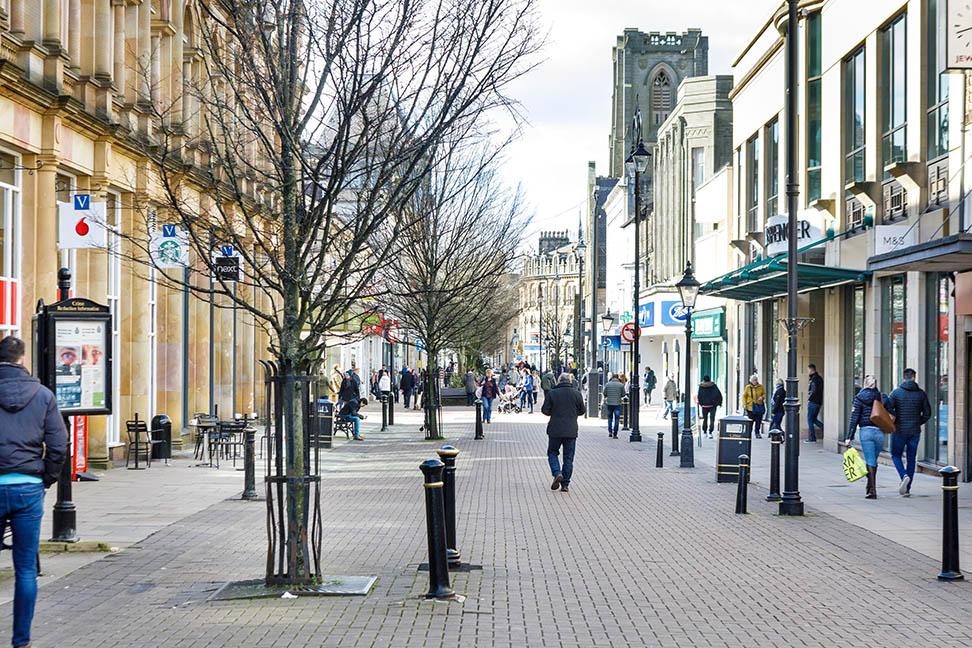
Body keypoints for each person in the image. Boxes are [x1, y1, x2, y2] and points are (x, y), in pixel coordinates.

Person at [0, 336, 68, 648]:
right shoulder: (43, 395)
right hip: (27, 485)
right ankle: (21, 640)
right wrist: (46, 479)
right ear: (22, 359)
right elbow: (58, 446)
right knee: (26, 568)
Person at [886, 368, 932, 497]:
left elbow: (888, 408)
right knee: (911, 458)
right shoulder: (921, 394)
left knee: (895, 455)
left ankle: (903, 475)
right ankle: (907, 488)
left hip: (899, 430)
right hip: (914, 431)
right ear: (914, 378)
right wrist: (918, 422)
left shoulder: (896, 393)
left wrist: (894, 420)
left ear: (903, 377)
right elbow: (928, 413)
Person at [541, 373, 585, 493]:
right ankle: (565, 484)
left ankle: (557, 472)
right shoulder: (576, 394)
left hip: (555, 429)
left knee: (552, 452)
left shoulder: (552, 393)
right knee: (568, 458)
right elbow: (582, 411)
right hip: (571, 430)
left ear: (559, 381)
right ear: (570, 380)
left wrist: (554, 412)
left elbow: (545, 410)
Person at [846, 375, 888, 499]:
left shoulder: (859, 398)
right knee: (873, 461)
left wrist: (849, 437)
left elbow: (854, 418)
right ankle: (870, 486)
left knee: (870, 460)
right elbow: (891, 412)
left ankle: (872, 491)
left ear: (865, 383)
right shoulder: (881, 397)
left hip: (866, 432)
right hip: (879, 432)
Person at [696, 375, 723, 439]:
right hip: (712, 405)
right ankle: (710, 432)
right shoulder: (713, 386)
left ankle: (705, 432)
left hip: (704, 406)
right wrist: (718, 403)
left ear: (704, 380)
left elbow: (699, 396)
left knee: (705, 419)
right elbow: (718, 394)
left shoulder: (701, 387)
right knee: (712, 419)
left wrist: (701, 403)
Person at [742, 374, 767, 439]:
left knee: (758, 420)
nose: (755, 381)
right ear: (751, 381)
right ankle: (748, 433)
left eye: (755, 380)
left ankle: (757, 433)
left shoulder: (761, 386)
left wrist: (762, 397)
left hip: (759, 406)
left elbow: (764, 394)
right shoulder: (748, 387)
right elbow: (744, 396)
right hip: (750, 407)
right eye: (753, 380)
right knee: (751, 421)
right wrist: (744, 404)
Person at [602, 373, 625, 439]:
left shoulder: (607, 384)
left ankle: (610, 431)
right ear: (618, 378)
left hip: (609, 403)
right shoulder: (621, 385)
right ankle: (615, 433)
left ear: (612, 377)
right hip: (617, 403)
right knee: (617, 419)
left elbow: (604, 393)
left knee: (610, 418)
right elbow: (623, 394)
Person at [806, 363, 824, 442]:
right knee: (813, 419)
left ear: (811, 369)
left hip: (813, 402)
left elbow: (813, 390)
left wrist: (810, 397)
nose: (807, 372)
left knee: (810, 419)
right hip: (818, 402)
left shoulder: (814, 379)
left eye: (808, 370)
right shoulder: (819, 378)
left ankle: (812, 438)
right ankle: (825, 429)